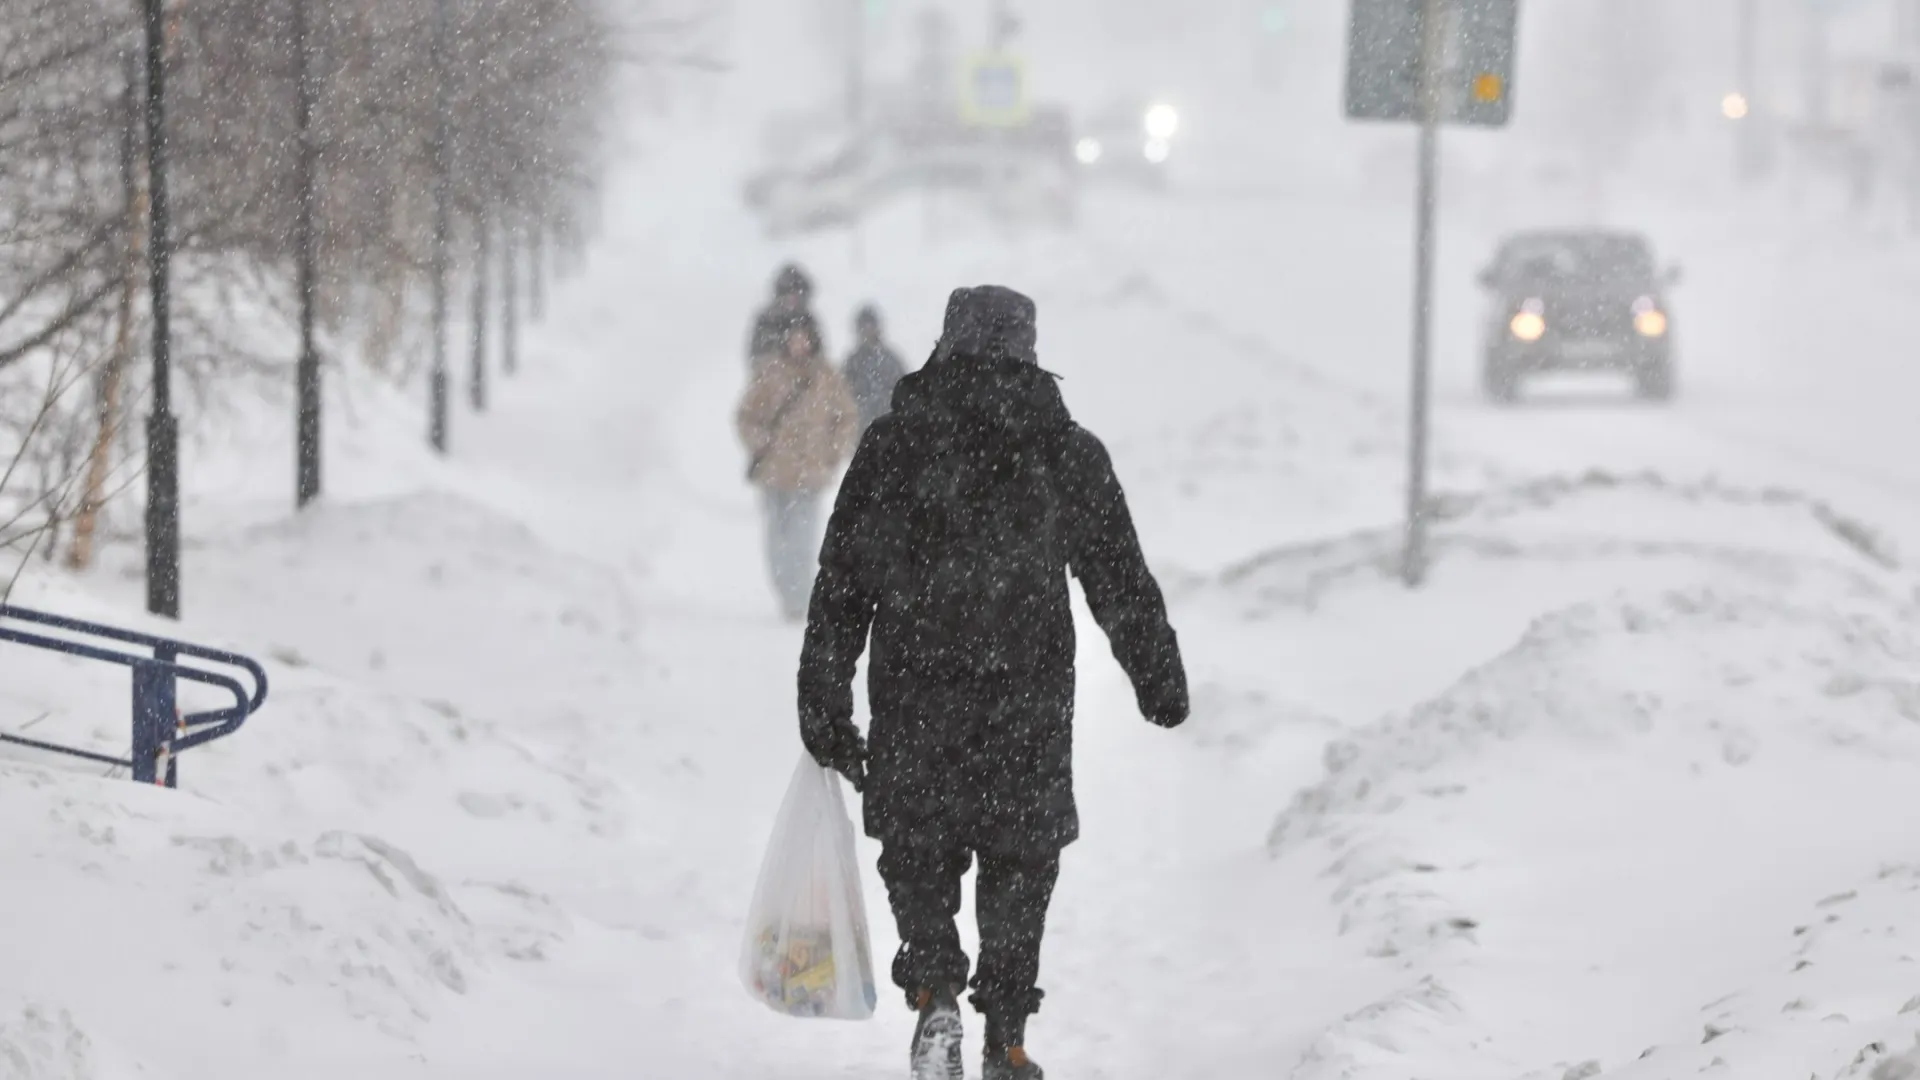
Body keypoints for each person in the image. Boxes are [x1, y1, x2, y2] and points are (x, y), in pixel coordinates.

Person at [796, 286, 1188, 1080]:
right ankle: (1005, 1037)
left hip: (916, 688)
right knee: (1019, 862)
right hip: (1027, 697)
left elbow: (843, 580)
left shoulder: (895, 447)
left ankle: (936, 990)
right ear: (1027, 350)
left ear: (948, 344)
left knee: (919, 849)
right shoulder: (1064, 450)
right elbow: (1118, 576)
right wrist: (1158, 675)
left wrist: (824, 695)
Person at [736, 316, 858, 621]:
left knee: (802, 540)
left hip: (810, 473)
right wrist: (759, 440)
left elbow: (847, 417)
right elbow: (745, 415)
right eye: (793, 338)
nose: (799, 344)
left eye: (803, 338)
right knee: (777, 540)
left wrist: (833, 451)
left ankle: (799, 597)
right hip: (775, 472)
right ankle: (784, 589)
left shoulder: (827, 376)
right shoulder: (770, 372)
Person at [843, 305, 909, 434]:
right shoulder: (852, 362)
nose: (868, 330)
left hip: (890, 428)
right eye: (864, 326)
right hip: (860, 430)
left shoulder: (891, 360)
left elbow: (905, 391)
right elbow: (843, 395)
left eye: (870, 325)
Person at [748, 263, 820, 370]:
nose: (794, 302)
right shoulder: (768, 320)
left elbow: (820, 354)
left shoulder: (808, 320)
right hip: (775, 376)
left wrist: (807, 349)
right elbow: (758, 355)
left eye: (798, 296)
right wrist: (786, 346)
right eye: (790, 295)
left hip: (806, 375)